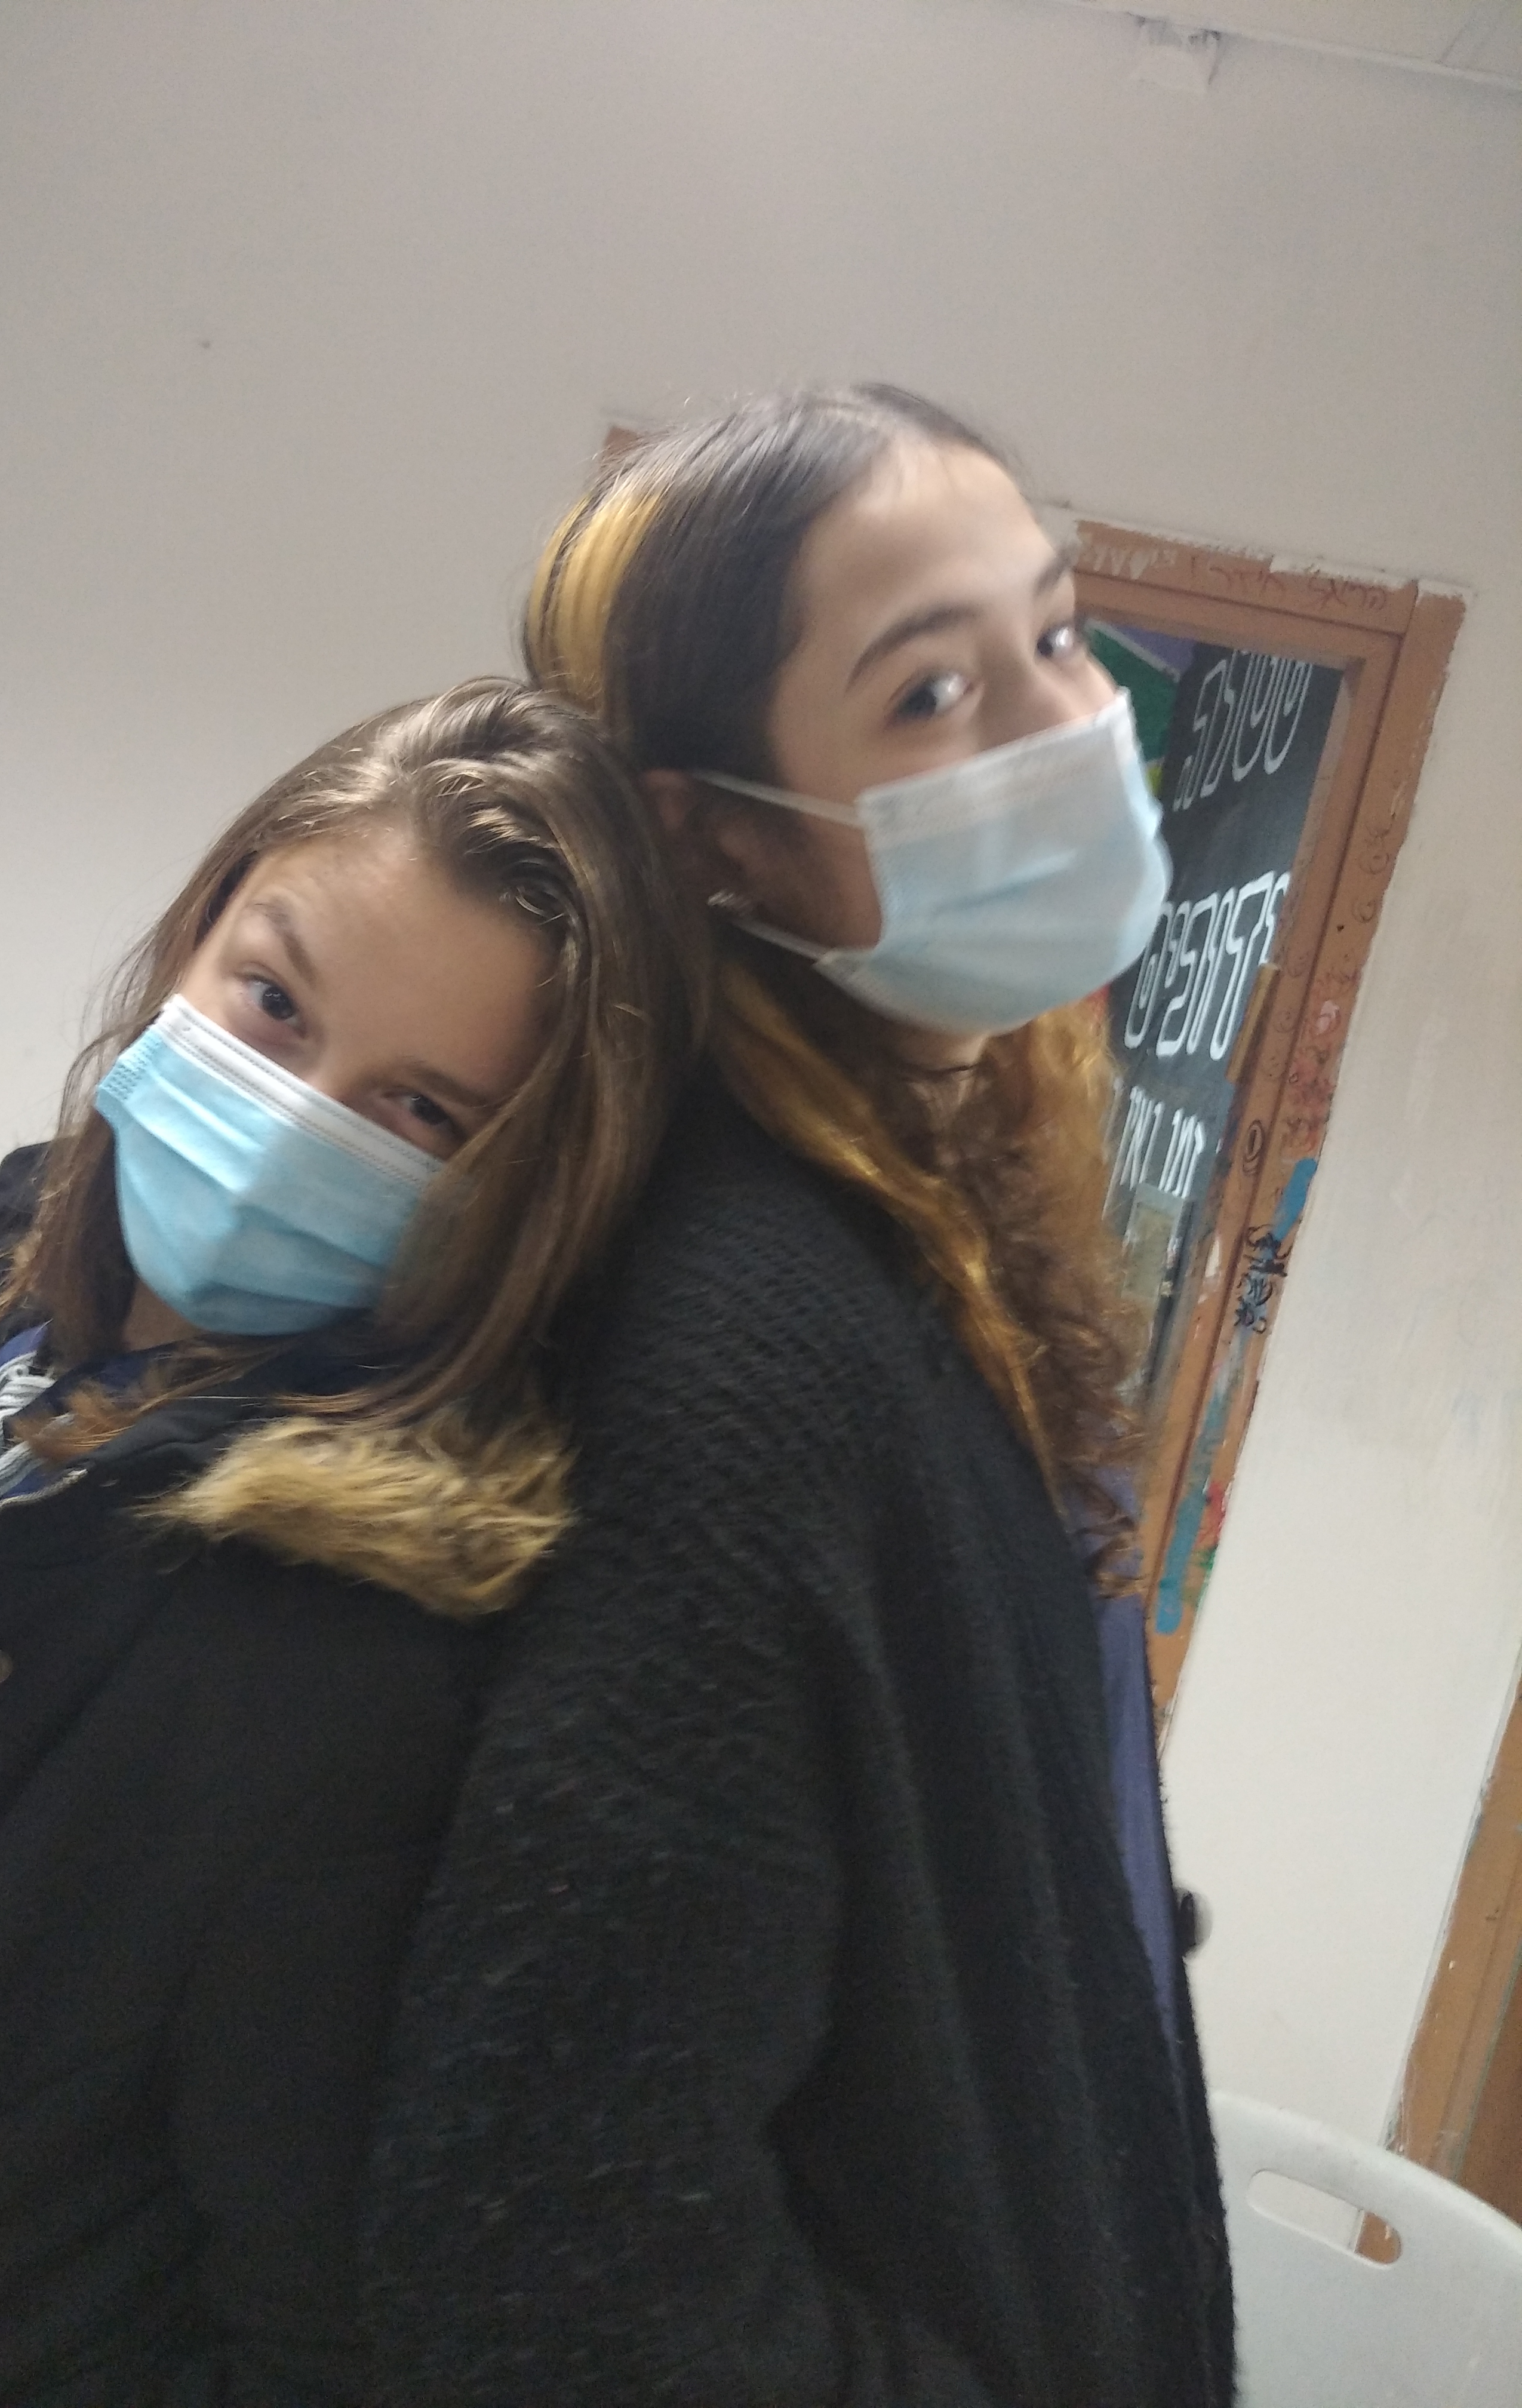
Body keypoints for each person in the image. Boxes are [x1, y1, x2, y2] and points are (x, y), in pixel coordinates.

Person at [359, 391, 1234, 2406]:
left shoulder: (936, 1166)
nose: (1068, 724)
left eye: (1057, 632)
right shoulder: (748, 1348)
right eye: (932, 693)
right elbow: (550, 2262)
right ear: (715, 834)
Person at [0, 679, 700, 2407]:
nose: (289, 1121)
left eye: (421, 1111)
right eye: (274, 1001)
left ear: (515, 1196)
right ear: (199, 930)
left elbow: (309, 2328)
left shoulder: (345, 1660)